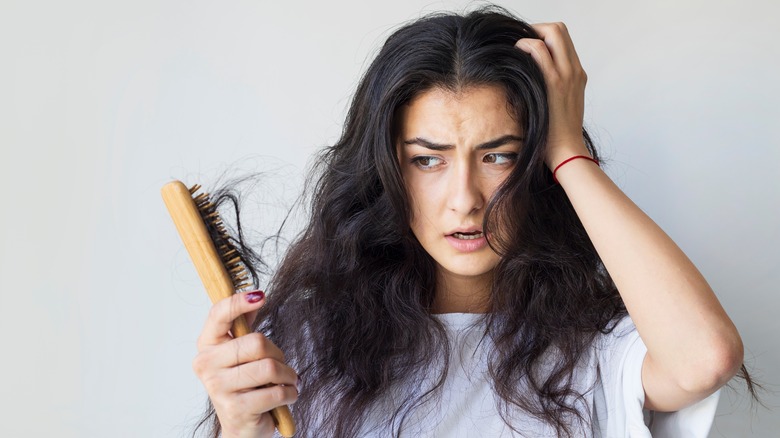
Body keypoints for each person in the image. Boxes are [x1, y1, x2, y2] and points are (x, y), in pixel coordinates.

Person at [190, 6, 748, 437]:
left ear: (536, 165)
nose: (464, 200)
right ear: (385, 168)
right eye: (427, 159)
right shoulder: (302, 346)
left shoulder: (598, 348)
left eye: (498, 155)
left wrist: (569, 151)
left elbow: (706, 357)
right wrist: (241, 428)